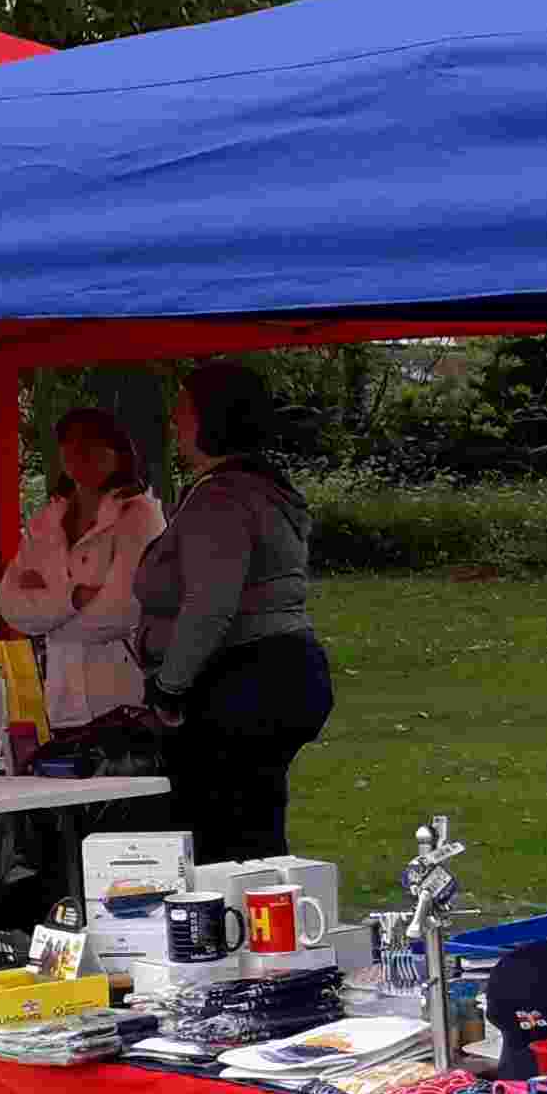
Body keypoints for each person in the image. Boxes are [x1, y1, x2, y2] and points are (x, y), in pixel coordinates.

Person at [133, 365, 331, 865]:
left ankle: (242, 932)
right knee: (254, 829)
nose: (174, 422)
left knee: (227, 839)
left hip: (243, 684)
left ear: (211, 420)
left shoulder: (222, 498)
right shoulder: (261, 489)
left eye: (183, 411)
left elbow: (210, 603)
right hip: (275, 675)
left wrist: (171, 686)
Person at [0, 405, 165, 730]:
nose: (79, 451)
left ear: (118, 452)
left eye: (91, 441)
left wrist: (47, 616)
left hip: (124, 696)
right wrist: (73, 599)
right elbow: (9, 605)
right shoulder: (48, 519)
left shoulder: (140, 514)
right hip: (60, 699)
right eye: (68, 441)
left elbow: (123, 610)